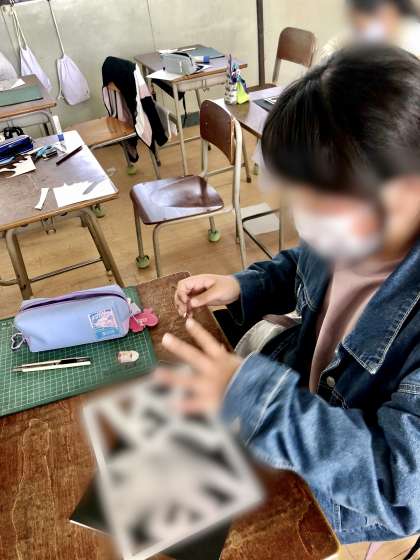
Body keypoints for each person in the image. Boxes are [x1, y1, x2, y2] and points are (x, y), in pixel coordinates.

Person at [155, 44, 420, 557]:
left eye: (320, 202)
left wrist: (259, 401)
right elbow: (303, 263)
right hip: (293, 414)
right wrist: (243, 285)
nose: (306, 219)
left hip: (337, 491)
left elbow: (397, 486)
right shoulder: (353, 230)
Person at [321, 0, 420, 59]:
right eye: (356, 25)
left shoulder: (412, 36)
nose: (361, 32)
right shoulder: (355, 35)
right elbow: (331, 48)